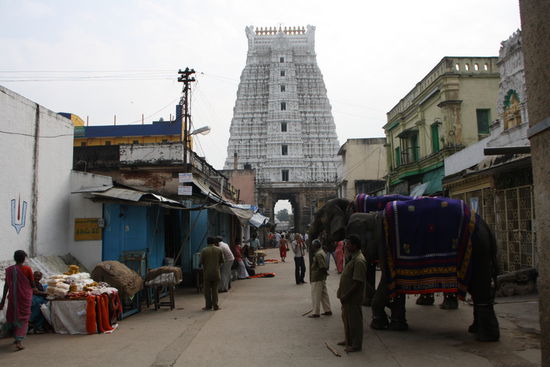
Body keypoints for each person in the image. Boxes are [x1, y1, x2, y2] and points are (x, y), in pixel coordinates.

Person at [336, 235, 367, 353]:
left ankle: (356, 344)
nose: (346, 246)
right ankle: (348, 339)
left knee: (355, 321)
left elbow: (358, 282)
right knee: (347, 319)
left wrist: (346, 295)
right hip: (347, 296)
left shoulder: (359, 260)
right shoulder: (353, 258)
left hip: (353, 297)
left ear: (354, 245)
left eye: (348, 244)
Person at [0, 250, 35, 351]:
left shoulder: (9, 270)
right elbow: (32, 284)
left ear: (14, 258)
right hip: (24, 297)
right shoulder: (27, 269)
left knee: (14, 316)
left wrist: (2, 301)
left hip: (13, 298)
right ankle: (19, 341)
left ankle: (15, 337)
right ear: (24, 259)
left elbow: (6, 285)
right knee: (23, 318)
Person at [309, 240, 332, 318]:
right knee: (324, 294)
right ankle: (327, 310)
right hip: (321, 277)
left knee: (316, 295)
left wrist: (325, 273)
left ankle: (315, 312)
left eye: (312, 246)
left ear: (315, 246)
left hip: (317, 277)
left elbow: (322, 267)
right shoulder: (322, 252)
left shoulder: (318, 254)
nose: (311, 247)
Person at [200, 237, 224, 311]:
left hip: (207, 273)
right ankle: (215, 306)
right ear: (214, 242)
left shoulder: (204, 250)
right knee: (215, 290)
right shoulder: (219, 249)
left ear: (207, 242)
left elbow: (201, 262)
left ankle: (208, 306)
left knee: (207, 291)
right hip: (216, 273)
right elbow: (222, 261)